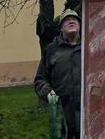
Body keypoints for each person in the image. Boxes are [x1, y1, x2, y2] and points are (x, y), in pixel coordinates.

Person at [34, 9, 82, 139]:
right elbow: (40, 79)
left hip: (86, 115)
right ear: (61, 28)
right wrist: (48, 93)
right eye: (66, 20)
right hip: (61, 116)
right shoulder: (51, 50)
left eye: (75, 19)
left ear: (80, 25)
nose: (71, 21)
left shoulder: (89, 48)